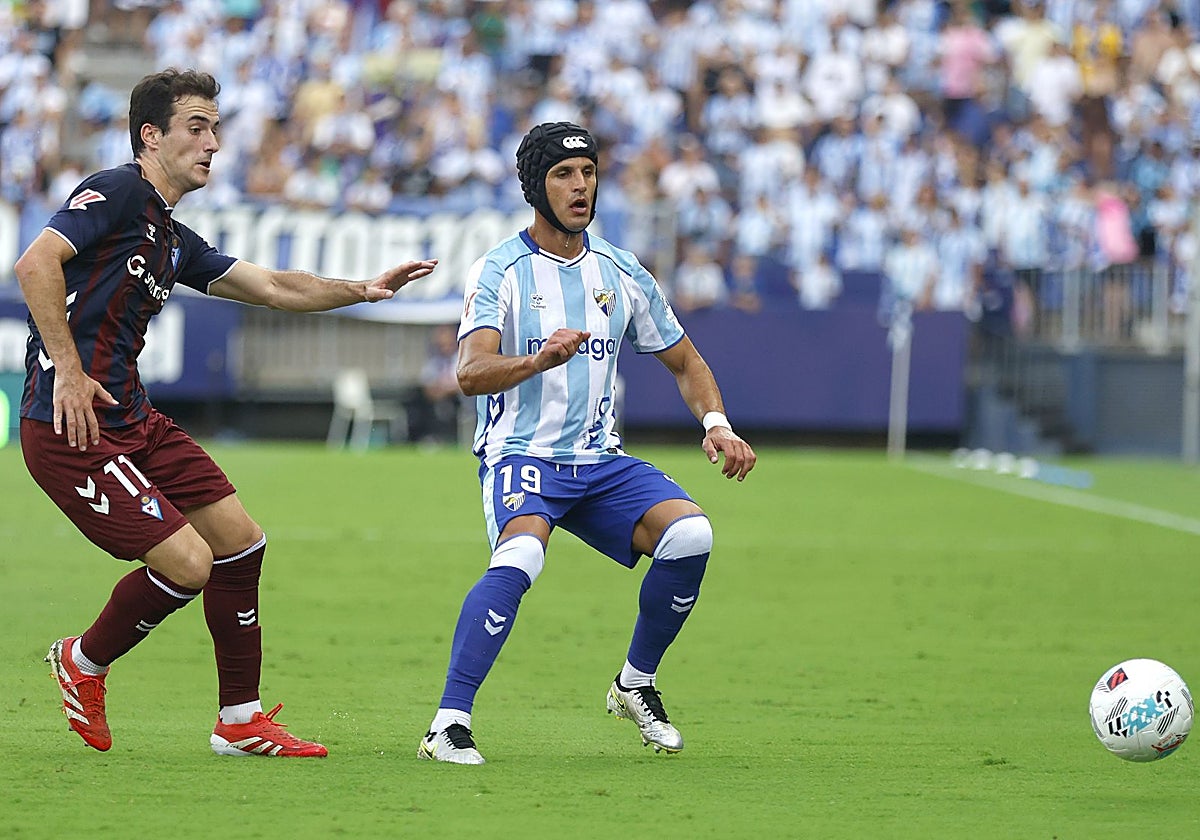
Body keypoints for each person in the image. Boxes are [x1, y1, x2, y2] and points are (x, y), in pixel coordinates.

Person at [14, 69, 437, 757]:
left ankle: (239, 720)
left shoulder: (172, 237)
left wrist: (361, 288)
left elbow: (272, 286)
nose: (213, 143)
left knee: (241, 541)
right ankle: (82, 662)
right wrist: (66, 368)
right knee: (188, 565)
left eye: (216, 129)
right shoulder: (119, 190)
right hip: (72, 427)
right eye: (197, 128)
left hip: (131, 417)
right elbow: (35, 263)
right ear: (151, 137)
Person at [417, 121, 756, 765]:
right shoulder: (500, 270)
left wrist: (718, 426)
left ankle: (636, 683)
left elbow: (686, 362)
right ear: (534, 187)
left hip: (599, 461)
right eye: (564, 175)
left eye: (589, 172)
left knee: (692, 535)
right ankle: (447, 724)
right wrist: (536, 362)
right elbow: (468, 373)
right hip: (522, 454)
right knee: (520, 559)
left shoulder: (621, 271)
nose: (581, 186)